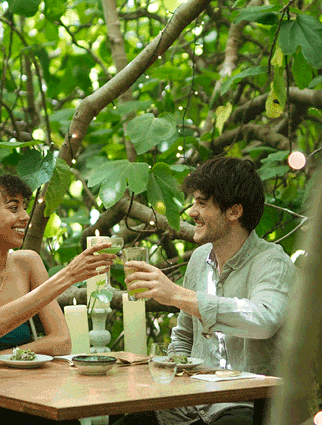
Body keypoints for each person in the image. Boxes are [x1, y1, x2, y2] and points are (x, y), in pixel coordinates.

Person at [121, 157, 297, 425]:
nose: (192, 212)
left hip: (246, 406)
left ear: (234, 212)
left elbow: (264, 320)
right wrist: (166, 375)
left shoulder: (272, 262)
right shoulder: (199, 259)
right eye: (194, 202)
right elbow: (184, 338)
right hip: (189, 403)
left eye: (202, 204)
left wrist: (177, 295)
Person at [0, 173, 115, 425]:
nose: (25, 216)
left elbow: (61, 342)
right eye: (13, 207)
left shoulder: (28, 262)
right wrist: (68, 275)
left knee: (60, 418)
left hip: (19, 391)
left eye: (24, 207)